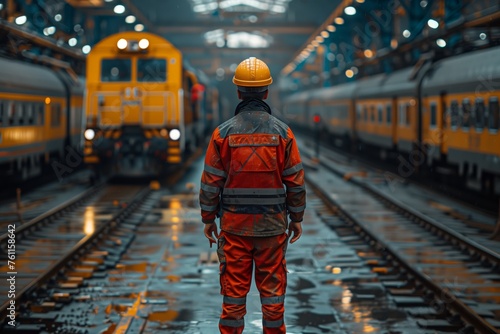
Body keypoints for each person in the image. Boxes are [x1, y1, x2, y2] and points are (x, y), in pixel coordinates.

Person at [199, 57, 306, 334]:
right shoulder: (283, 133)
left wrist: (208, 218)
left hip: (235, 230)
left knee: (233, 297)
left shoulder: (222, 134)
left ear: (238, 92)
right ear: (267, 92)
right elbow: (295, 181)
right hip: (272, 229)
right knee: (272, 298)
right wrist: (297, 217)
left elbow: (211, 182)